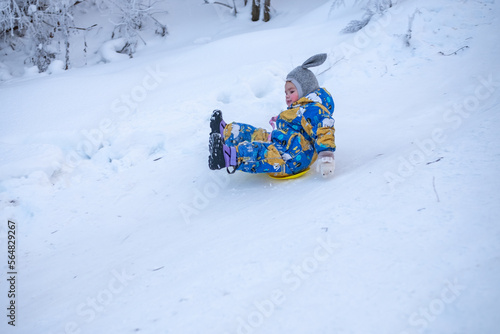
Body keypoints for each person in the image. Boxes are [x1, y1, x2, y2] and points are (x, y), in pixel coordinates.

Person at [208, 53, 336, 178]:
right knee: (257, 134)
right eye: (286, 92)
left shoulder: (314, 110)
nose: (287, 95)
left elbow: (324, 130)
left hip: (293, 157)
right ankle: (226, 132)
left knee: (261, 151)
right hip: (283, 143)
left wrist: (326, 156)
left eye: (291, 91)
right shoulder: (300, 109)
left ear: (306, 90)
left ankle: (226, 157)